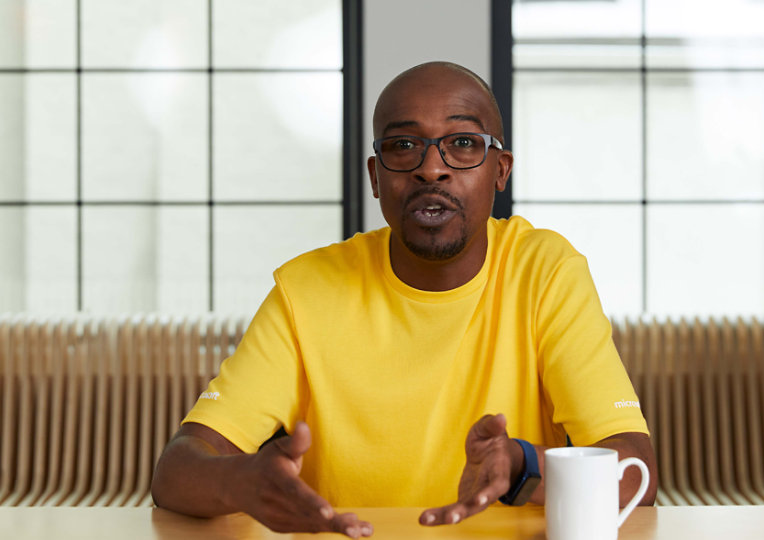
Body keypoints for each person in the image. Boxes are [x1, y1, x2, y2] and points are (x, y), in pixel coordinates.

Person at [151, 61, 657, 538]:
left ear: (501, 171)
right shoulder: (306, 289)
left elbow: (636, 470)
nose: (431, 169)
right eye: (403, 145)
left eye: (463, 143)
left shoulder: (545, 271)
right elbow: (177, 469)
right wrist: (241, 481)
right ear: (376, 177)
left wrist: (523, 465)